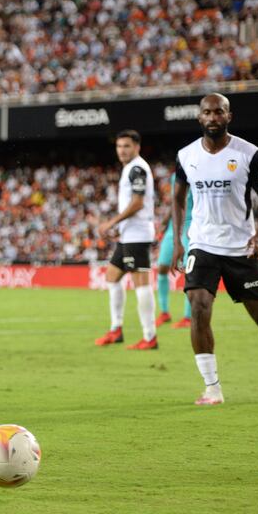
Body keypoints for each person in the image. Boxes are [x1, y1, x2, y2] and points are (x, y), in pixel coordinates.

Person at [172, 93, 258, 405]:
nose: (213, 117)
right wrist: (180, 240)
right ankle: (212, 388)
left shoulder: (247, 153)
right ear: (199, 118)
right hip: (203, 244)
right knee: (199, 306)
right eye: (207, 112)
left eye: (219, 112)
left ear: (229, 116)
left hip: (241, 247)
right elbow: (177, 197)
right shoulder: (186, 155)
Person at [96, 130, 158, 350]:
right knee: (112, 276)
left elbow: (138, 203)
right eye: (119, 146)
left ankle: (150, 336)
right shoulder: (130, 169)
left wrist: (112, 222)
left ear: (137, 147)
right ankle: (116, 329)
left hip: (138, 234)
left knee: (141, 282)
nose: (122, 150)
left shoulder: (138, 168)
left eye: (127, 146)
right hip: (128, 235)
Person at [155, 172, 193, 329]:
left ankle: (188, 317)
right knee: (162, 268)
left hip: (191, 225)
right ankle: (164, 312)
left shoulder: (201, 171)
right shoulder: (175, 176)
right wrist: (164, 222)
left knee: (189, 271)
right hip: (173, 226)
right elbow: (175, 202)